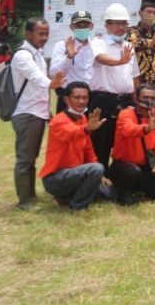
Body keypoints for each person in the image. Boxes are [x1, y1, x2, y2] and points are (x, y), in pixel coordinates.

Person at [10, 18, 66, 209]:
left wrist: (47, 110)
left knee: (31, 156)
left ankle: (30, 195)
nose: (44, 37)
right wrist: (52, 83)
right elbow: (36, 77)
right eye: (40, 33)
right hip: (26, 113)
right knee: (25, 158)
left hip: (37, 112)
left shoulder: (38, 53)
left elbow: (39, 87)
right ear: (28, 34)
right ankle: (25, 200)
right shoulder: (23, 56)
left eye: (46, 33)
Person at [39, 81, 106, 210]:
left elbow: (88, 149)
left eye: (85, 97)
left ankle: (68, 196)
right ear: (66, 99)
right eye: (77, 97)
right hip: (55, 178)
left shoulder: (83, 119)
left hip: (76, 174)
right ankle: (77, 207)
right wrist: (87, 129)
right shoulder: (58, 120)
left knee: (108, 193)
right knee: (96, 169)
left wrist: (100, 176)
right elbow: (70, 133)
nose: (81, 101)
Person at [89, 3, 140, 168]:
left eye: (124, 23)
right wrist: (119, 61)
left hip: (125, 103)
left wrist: (137, 102)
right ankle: (99, 179)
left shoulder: (128, 46)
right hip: (103, 101)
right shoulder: (98, 42)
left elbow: (134, 77)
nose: (120, 27)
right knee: (102, 142)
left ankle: (118, 179)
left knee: (124, 142)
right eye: (116, 23)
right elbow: (100, 58)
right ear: (107, 25)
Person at [108, 84, 155, 204]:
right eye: (146, 97)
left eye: (153, 98)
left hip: (146, 165)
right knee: (132, 172)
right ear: (136, 99)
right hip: (124, 166)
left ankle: (139, 187)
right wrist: (147, 128)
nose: (149, 101)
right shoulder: (126, 114)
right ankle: (122, 191)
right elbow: (129, 130)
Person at [49, 10, 95, 113]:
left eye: (86, 24)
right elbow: (53, 73)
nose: (82, 28)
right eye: (78, 25)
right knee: (66, 128)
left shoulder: (96, 46)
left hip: (90, 96)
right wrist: (68, 57)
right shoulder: (61, 46)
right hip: (68, 96)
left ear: (91, 26)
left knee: (88, 128)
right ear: (71, 27)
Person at [127, 1, 155, 97]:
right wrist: (151, 43)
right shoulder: (130, 31)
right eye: (148, 12)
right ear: (140, 13)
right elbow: (130, 45)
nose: (151, 15)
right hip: (135, 86)